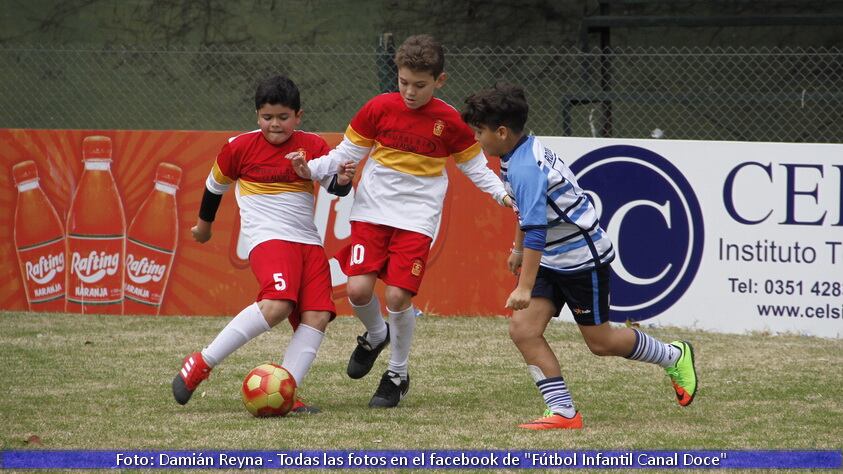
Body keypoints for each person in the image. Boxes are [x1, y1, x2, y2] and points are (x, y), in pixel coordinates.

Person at [289, 34, 511, 408]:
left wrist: (502, 194)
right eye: (403, 82)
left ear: (439, 81)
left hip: (417, 218)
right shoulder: (378, 108)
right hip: (371, 212)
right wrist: (308, 169)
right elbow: (346, 154)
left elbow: (476, 167)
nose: (409, 92)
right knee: (358, 291)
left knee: (396, 295)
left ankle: (397, 372)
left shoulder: (450, 121)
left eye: (420, 85)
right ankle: (376, 335)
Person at [460, 83, 698, 430]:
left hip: (581, 260)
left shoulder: (526, 167)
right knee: (523, 330)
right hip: (552, 258)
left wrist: (525, 286)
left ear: (501, 131)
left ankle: (674, 356)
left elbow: (537, 229)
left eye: (479, 132)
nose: (476, 139)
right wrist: (516, 248)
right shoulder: (516, 153)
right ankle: (564, 413)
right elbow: (526, 211)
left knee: (600, 343)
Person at [171, 75, 356, 413]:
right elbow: (215, 187)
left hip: (308, 242)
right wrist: (203, 226)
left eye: (283, 117)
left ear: (298, 116)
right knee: (278, 304)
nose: (275, 125)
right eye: (267, 117)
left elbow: (335, 186)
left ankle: (286, 392)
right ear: (257, 116)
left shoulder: (312, 145)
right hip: (269, 238)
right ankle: (202, 362)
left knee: (316, 316)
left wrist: (343, 181)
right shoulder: (238, 147)